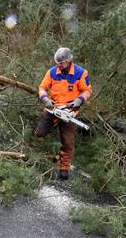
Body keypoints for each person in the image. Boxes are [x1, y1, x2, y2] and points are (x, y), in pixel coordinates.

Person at [35, 47, 92, 180]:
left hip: (70, 111)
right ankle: (45, 151)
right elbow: (42, 87)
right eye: (57, 63)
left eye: (61, 63)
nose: (58, 65)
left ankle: (64, 168)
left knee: (67, 142)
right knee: (40, 133)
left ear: (68, 61)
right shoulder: (52, 72)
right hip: (53, 107)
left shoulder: (80, 73)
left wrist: (79, 99)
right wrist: (44, 98)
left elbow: (87, 90)